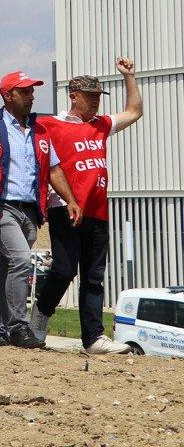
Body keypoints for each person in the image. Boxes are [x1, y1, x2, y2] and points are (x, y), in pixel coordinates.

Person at [0, 70, 81, 348]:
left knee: (8, 267)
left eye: (32, 91)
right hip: (0, 207)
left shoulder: (40, 130)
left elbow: (53, 169)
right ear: (8, 95)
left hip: (29, 209)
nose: (31, 96)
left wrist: (71, 199)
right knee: (20, 260)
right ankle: (18, 327)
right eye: (25, 91)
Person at [33, 60, 143, 353]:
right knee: (63, 270)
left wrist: (129, 76)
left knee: (94, 277)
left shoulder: (101, 125)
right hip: (65, 209)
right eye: (90, 96)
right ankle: (39, 318)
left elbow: (135, 111)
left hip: (98, 212)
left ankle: (93, 338)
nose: (95, 102)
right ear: (74, 95)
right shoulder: (50, 125)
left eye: (98, 97)